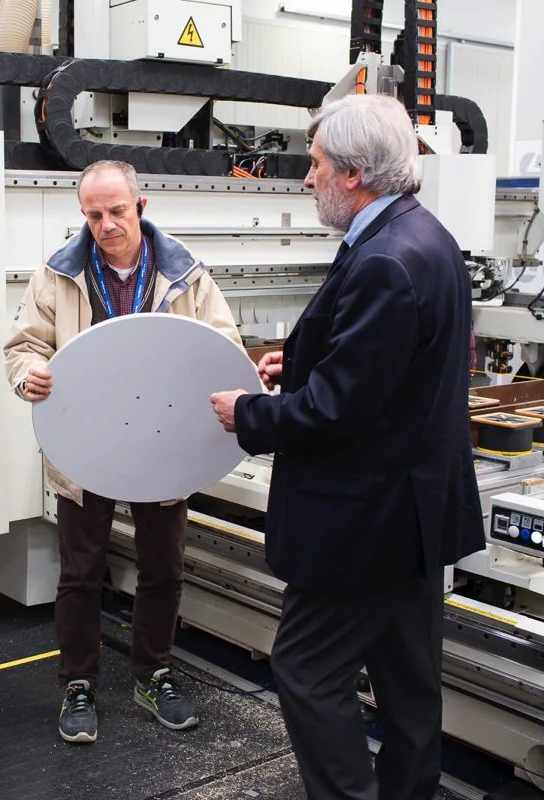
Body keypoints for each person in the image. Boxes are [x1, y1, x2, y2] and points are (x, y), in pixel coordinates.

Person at [210, 94, 486, 800]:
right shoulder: (425, 238)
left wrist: (248, 412)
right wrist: (294, 368)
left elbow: (337, 413)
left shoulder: (384, 261)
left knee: (305, 672)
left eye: (316, 165)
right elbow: (382, 379)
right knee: (408, 687)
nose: (308, 179)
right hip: (413, 518)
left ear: (355, 173)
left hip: (362, 525)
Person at [3, 159, 244, 744]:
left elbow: (223, 347)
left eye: (116, 211)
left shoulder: (186, 274)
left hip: (163, 445)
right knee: (81, 573)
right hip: (86, 445)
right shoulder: (58, 274)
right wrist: (29, 372)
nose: (106, 224)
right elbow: (24, 345)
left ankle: (153, 672)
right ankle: (78, 683)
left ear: (141, 206)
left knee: (162, 568)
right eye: (93, 214)